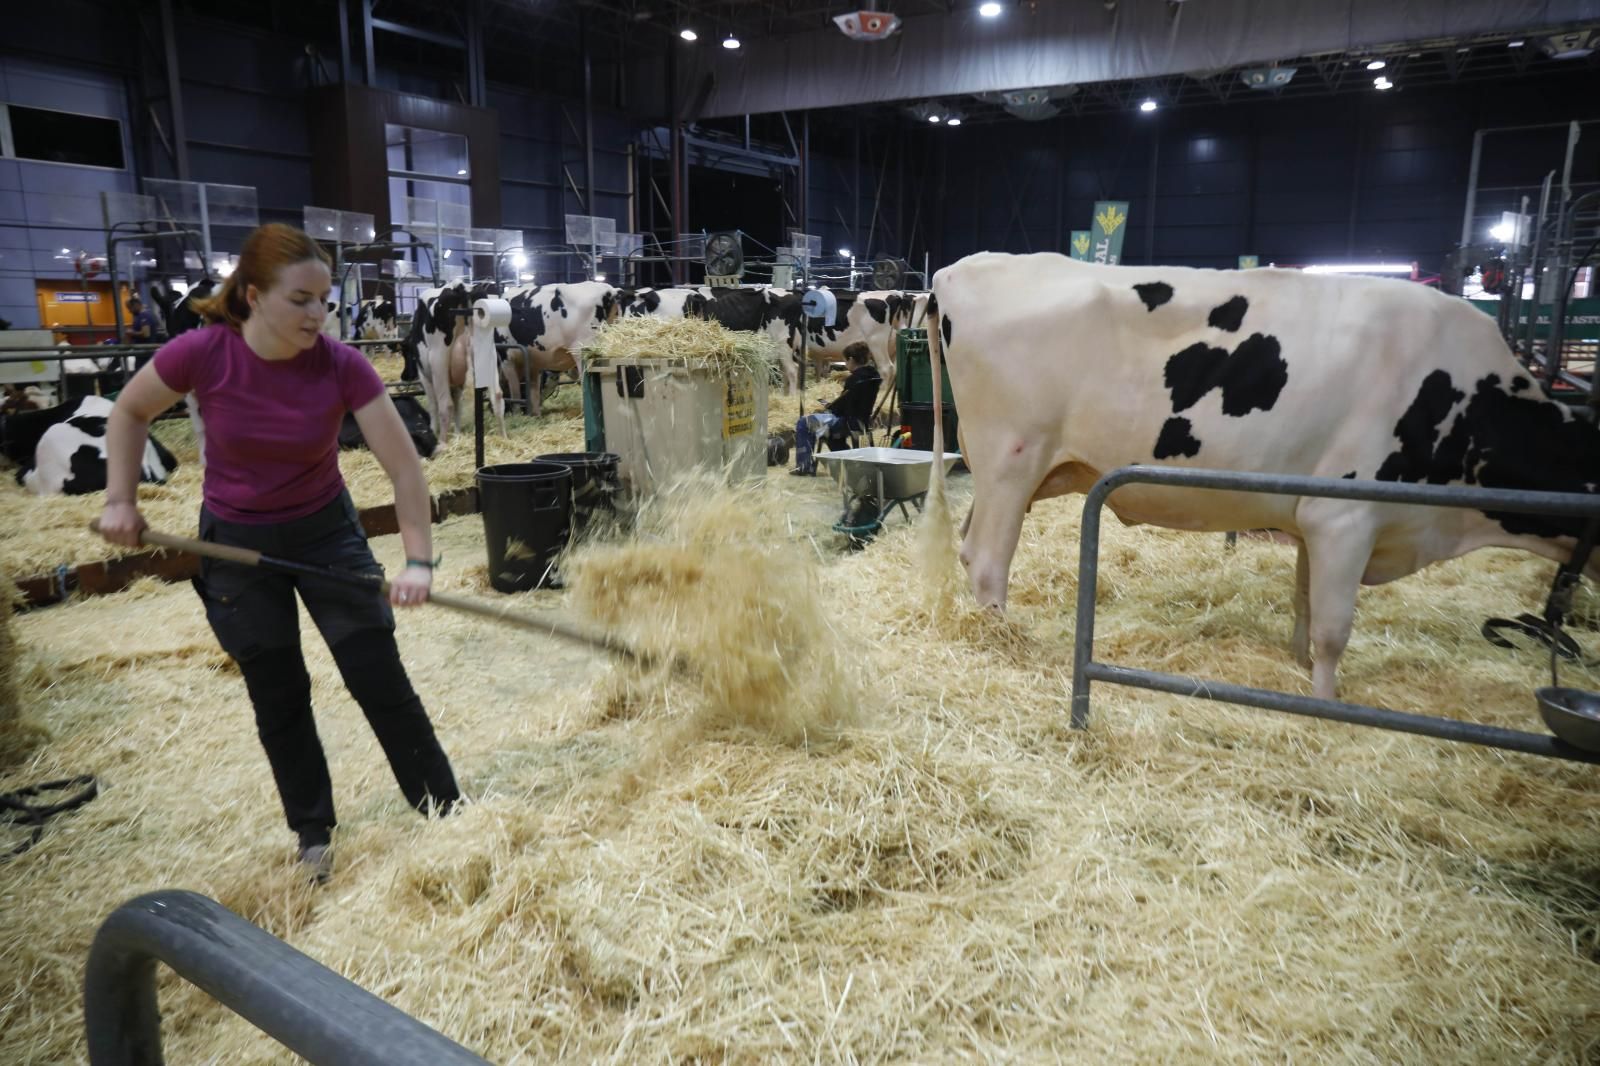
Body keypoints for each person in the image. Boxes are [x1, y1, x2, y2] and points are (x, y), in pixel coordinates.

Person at [97, 223, 460, 884]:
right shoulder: (203, 353)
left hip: (325, 532)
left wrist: (418, 563)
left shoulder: (341, 365)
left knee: (375, 672)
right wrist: (121, 499)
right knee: (279, 691)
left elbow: (405, 469)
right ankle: (314, 834)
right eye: (301, 299)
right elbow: (128, 412)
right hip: (233, 542)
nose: (318, 314)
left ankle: (445, 810)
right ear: (256, 294)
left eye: (324, 299)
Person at [792, 342, 883, 475]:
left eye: (846, 361)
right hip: (863, 421)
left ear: (851, 359)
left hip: (848, 422)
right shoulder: (874, 376)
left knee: (804, 423)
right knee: (829, 433)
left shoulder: (854, 379)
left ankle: (804, 466)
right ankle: (846, 462)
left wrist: (830, 407)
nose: (846, 364)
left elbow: (844, 408)